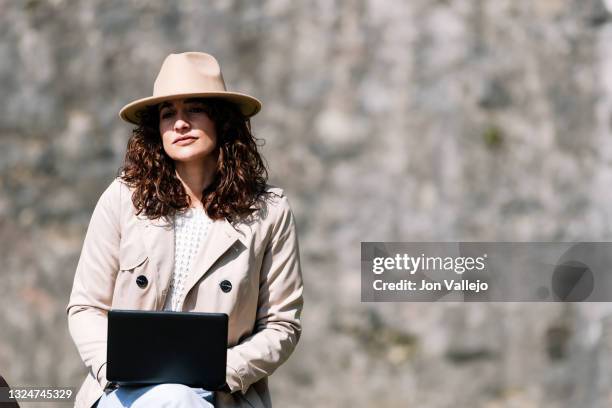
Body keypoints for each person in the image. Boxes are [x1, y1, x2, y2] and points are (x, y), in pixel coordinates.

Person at [66, 52, 304, 408]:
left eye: (193, 110)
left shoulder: (269, 212)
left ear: (221, 121)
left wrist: (220, 370)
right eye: (167, 114)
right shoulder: (121, 199)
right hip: (120, 390)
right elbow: (86, 306)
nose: (179, 124)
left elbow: (282, 325)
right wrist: (111, 367)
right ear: (156, 129)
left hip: (219, 392)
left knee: (176, 399)